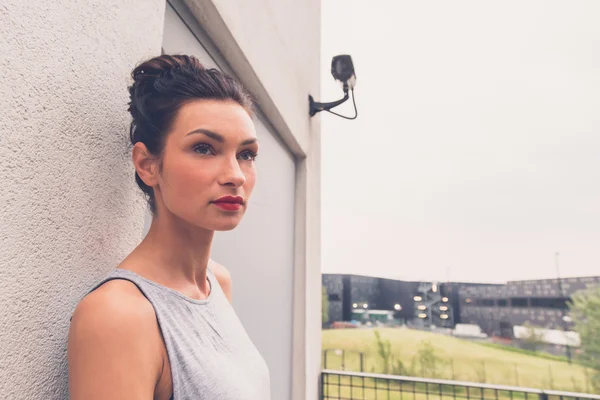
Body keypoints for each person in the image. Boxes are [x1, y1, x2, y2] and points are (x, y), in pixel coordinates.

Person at [67, 55, 270, 400]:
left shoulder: (217, 282)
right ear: (148, 165)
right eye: (204, 148)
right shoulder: (118, 315)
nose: (235, 175)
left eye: (246, 154)